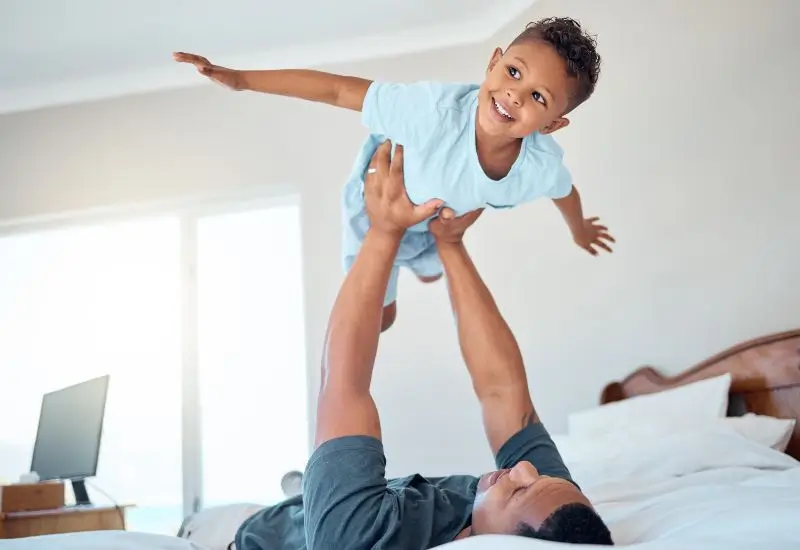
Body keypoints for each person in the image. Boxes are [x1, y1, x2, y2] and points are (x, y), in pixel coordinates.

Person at [233, 141, 614, 550]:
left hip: (249, 533)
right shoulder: (556, 506)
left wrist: (384, 231)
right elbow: (505, 395)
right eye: (538, 477)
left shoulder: (361, 540)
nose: (524, 469)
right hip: (319, 504)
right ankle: (309, 487)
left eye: (521, 490)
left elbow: (342, 385)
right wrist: (450, 244)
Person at [174, 17, 614, 331]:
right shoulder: (429, 112)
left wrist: (577, 230)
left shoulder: (537, 165)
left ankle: (420, 264)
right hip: (377, 210)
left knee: (429, 271)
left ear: (553, 124)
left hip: (432, 223)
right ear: (493, 62)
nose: (514, 95)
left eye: (538, 97)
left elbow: (565, 191)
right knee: (383, 321)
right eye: (513, 72)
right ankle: (398, 274)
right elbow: (338, 89)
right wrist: (243, 80)